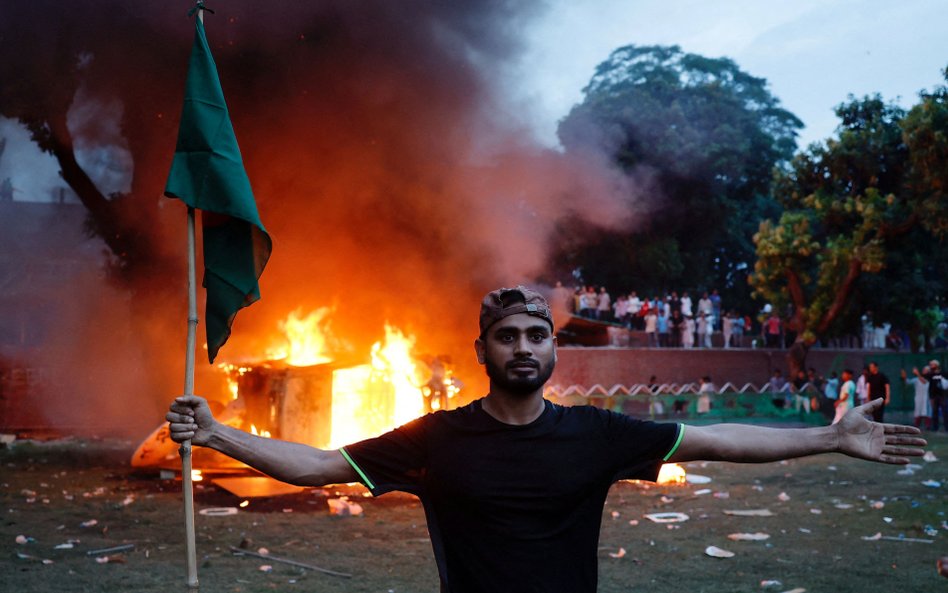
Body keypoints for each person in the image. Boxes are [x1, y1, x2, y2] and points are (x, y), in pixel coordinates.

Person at [167, 286, 926, 593]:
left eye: (537, 333)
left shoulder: (596, 433)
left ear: (554, 350)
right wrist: (219, 432)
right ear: (483, 351)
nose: (524, 346)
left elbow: (719, 441)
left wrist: (828, 437)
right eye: (507, 336)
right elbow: (322, 466)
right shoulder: (437, 438)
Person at [925, 360, 947, 432]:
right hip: (934, 396)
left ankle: (946, 427)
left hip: (943, 395)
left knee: (945, 412)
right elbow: (925, 378)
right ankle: (935, 427)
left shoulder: (943, 373)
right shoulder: (930, 374)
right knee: (935, 412)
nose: (931, 366)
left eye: (932, 364)